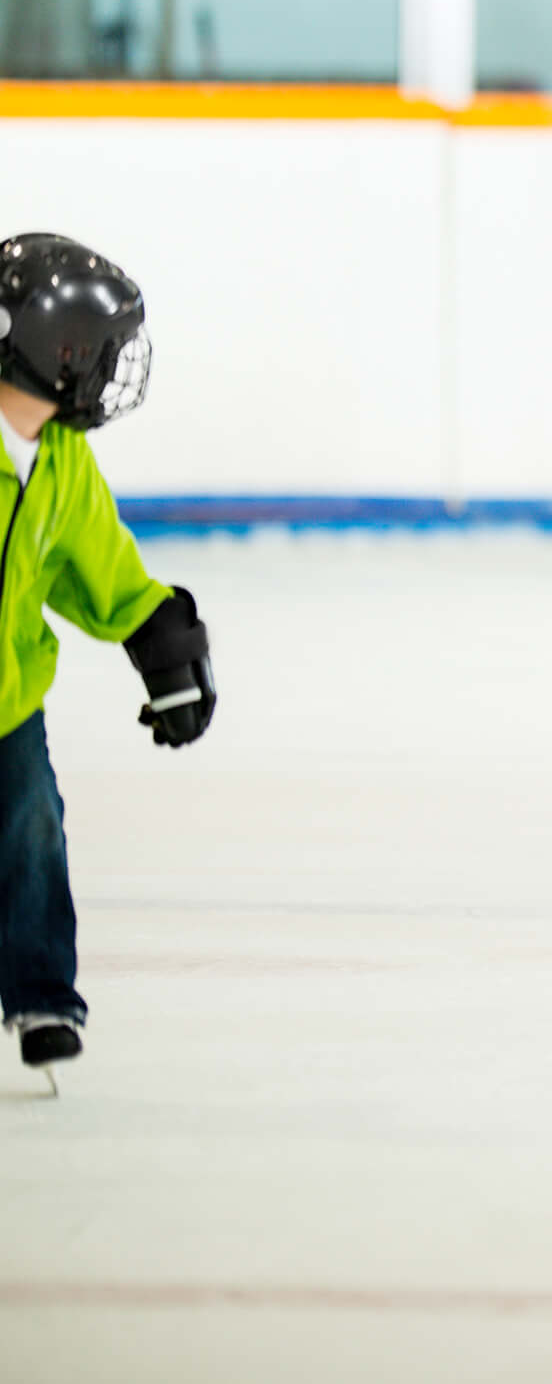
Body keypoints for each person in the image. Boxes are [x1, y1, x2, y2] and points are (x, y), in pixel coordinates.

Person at [0, 234, 217, 1084]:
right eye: (102, 350)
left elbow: (100, 563)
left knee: (29, 829)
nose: (111, 369)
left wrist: (157, 638)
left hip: (8, 694)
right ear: (60, 355)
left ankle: (41, 991)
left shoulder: (59, 459)